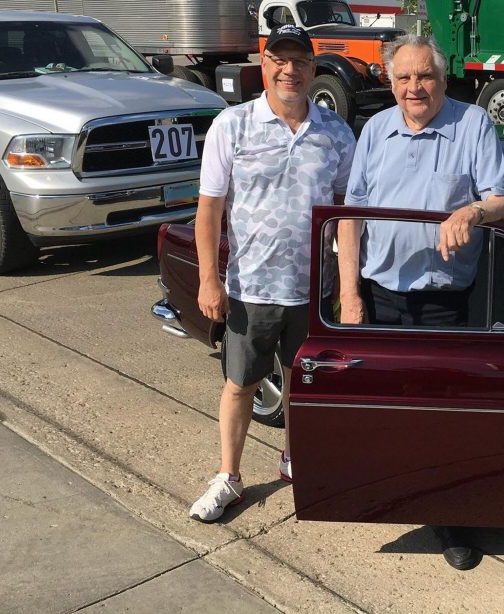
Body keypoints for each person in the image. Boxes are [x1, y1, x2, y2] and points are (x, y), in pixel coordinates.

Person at [336, 34, 504, 569]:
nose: (415, 87)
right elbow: (351, 216)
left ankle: (448, 514)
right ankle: (390, 492)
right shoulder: (374, 129)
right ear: (391, 82)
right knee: (386, 408)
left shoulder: (473, 125)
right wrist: (349, 295)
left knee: (442, 415)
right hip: (379, 296)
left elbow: (501, 202)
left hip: (443, 302)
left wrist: (471, 212)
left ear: (442, 78)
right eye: (404, 77)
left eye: (425, 76)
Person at [188, 24, 355, 523]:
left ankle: (294, 458)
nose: (290, 71)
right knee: (241, 383)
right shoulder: (233, 125)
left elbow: (347, 213)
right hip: (251, 287)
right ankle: (229, 477)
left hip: (314, 291)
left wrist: (348, 287)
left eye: (299, 61)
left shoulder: (336, 131)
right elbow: (209, 209)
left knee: (303, 383)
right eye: (279, 61)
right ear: (263, 65)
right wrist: (209, 278)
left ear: (313, 67)